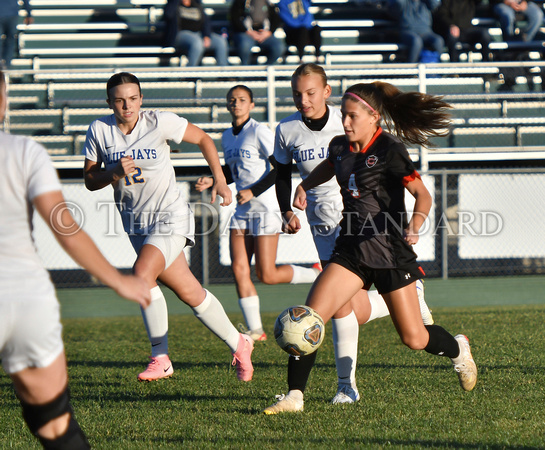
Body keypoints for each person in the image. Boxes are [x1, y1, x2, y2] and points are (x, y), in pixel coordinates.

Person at [264, 80, 477, 414]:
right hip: (350, 250)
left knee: (415, 338)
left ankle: (458, 349)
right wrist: (304, 184)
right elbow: (329, 166)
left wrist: (415, 225)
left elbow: (423, 194)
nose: (345, 122)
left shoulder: (390, 150)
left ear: (373, 117)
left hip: (391, 252)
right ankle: (294, 396)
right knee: (310, 316)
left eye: (351, 117)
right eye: (344, 116)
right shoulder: (340, 147)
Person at [0, 70, 151, 449]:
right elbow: (63, 224)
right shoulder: (23, 151)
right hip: (24, 300)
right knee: (53, 424)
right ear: (3, 102)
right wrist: (119, 280)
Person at [83, 72, 254, 383]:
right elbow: (90, 181)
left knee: (141, 274)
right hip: (136, 224)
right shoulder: (99, 130)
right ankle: (240, 343)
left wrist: (219, 177)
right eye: (120, 100)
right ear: (109, 102)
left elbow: (203, 138)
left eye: (133, 98)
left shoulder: (158, 121)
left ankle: (160, 356)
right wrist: (113, 171)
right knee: (190, 292)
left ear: (141, 99)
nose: (127, 105)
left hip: (170, 216)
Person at [195, 85, 320, 342]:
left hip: (265, 208)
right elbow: (234, 170)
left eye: (242, 100)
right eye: (232, 100)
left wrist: (253, 190)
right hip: (242, 211)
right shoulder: (227, 135)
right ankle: (255, 330)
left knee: (267, 274)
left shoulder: (259, 131)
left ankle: (316, 274)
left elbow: (279, 169)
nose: (236, 104)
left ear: (251, 105)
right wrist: (213, 179)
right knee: (239, 269)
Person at [163, 0, 229, 66]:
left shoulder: (196, 4)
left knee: (220, 41)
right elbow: (168, 15)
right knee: (197, 42)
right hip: (179, 34)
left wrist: (206, 36)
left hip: (198, 33)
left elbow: (205, 22)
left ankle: (223, 72)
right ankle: (190, 72)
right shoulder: (174, 4)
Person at [229, 0, 285, 65]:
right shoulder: (240, 2)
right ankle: (246, 69)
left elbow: (276, 19)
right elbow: (235, 19)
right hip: (245, 33)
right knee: (245, 45)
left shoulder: (268, 3)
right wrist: (249, 32)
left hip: (264, 34)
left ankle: (265, 70)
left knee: (279, 46)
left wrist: (269, 32)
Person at [0, 0, 32, 69]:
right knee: (10, 39)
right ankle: (6, 64)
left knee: (10, 39)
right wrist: (29, 13)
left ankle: (4, 64)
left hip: (9, 13)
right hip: (12, 13)